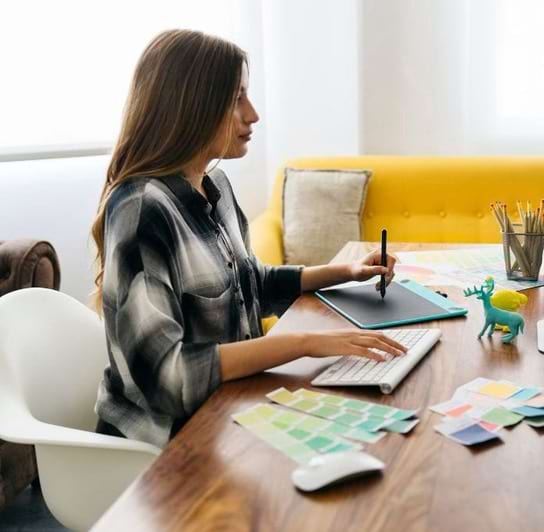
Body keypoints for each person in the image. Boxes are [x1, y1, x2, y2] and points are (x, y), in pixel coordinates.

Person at [91, 29, 406, 447]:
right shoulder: (142, 211)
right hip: (168, 445)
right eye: (236, 97)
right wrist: (304, 344)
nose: (253, 114)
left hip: (231, 406)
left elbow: (249, 283)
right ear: (192, 105)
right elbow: (168, 378)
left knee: (379, 435)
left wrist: (344, 272)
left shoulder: (213, 185)